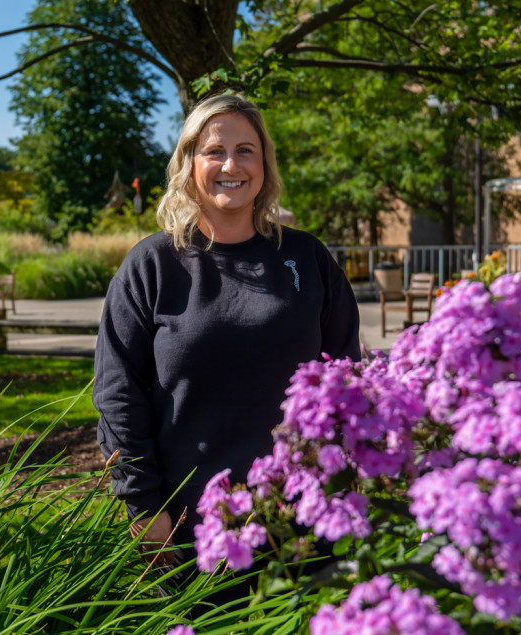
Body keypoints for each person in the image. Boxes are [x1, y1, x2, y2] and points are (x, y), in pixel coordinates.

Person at [93, 93, 361, 572]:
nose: (230, 164)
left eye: (245, 150)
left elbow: (346, 377)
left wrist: (341, 487)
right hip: (187, 526)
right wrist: (144, 508)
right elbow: (117, 392)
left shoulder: (307, 258)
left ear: (264, 165)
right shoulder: (152, 265)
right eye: (214, 151)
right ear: (189, 164)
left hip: (302, 519)